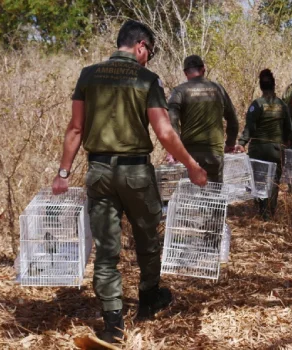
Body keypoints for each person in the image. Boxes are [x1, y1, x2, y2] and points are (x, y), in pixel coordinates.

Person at [50, 20, 207, 344]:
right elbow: (164, 132)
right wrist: (191, 165)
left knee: (107, 251)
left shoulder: (88, 75)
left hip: (100, 173)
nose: (147, 57)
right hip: (136, 173)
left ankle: (112, 322)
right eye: (148, 51)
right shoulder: (146, 79)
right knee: (147, 239)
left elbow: (76, 129)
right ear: (139, 46)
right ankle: (149, 300)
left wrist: (63, 173)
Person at [165, 55, 239, 182]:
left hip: (188, 155)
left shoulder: (179, 91)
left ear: (185, 73)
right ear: (203, 70)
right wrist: (230, 144)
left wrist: (173, 149)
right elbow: (233, 120)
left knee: (191, 197)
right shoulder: (218, 89)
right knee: (213, 198)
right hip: (214, 153)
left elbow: (172, 122)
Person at [237, 69, 292, 220]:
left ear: (261, 86)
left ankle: (261, 210)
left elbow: (249, 127)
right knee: (273, 181)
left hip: (258, 149)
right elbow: (289, 129)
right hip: (276, 149)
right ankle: (269, 212)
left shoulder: (256, 105)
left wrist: (242, 143)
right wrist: (286, 144)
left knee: (259, 179)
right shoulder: (282, 105)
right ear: (274, 85)